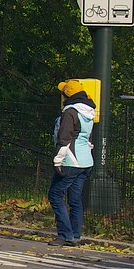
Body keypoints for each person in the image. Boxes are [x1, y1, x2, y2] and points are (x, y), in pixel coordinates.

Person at [48, 79, 96, 246]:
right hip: (86, 161)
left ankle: (65, 235)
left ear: (66, 95)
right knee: (75, 199)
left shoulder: (70, 112)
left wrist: (58, 160)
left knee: (55, 195)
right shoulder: (89, 111)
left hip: (70, 159)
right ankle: (76, 235)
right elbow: (87, 137)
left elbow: (64, 137)